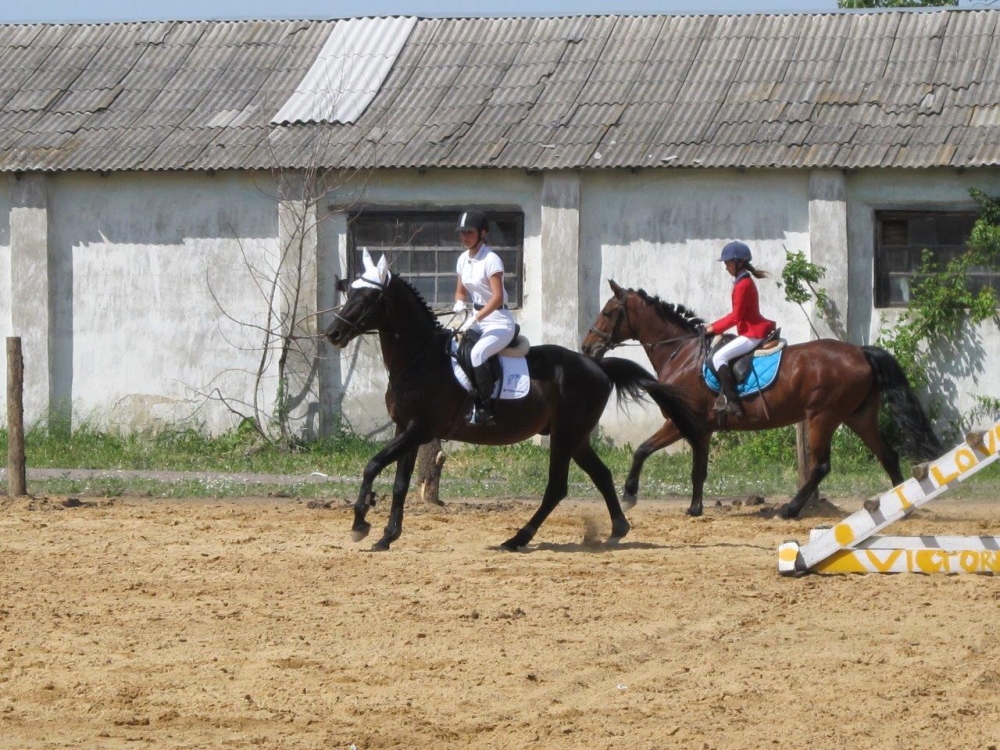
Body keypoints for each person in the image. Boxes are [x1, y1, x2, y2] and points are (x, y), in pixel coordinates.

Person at [453, 210, 516, 426]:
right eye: (461, 233)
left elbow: (497, 297)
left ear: (483, 233)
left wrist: (476, 317)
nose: (464, 237)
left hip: (499, 321)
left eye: (469, 232)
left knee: (478, 354)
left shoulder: (491, 260)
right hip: (477, 317)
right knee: (458, 350)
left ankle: (486, 408)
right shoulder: (463, 259)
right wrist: (459, 303)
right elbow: (461, 291)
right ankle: (469, 399)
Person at [703, 241, 776, 417]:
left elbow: (736, 317)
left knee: (719, 357)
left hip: (753, 333)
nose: (726, 267)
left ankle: (733, 403)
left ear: (739, 262)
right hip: (750, 330)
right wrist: (712, 325)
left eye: (728, 263)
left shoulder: (743, 285)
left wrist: (713, 328)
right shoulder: (742, 281)